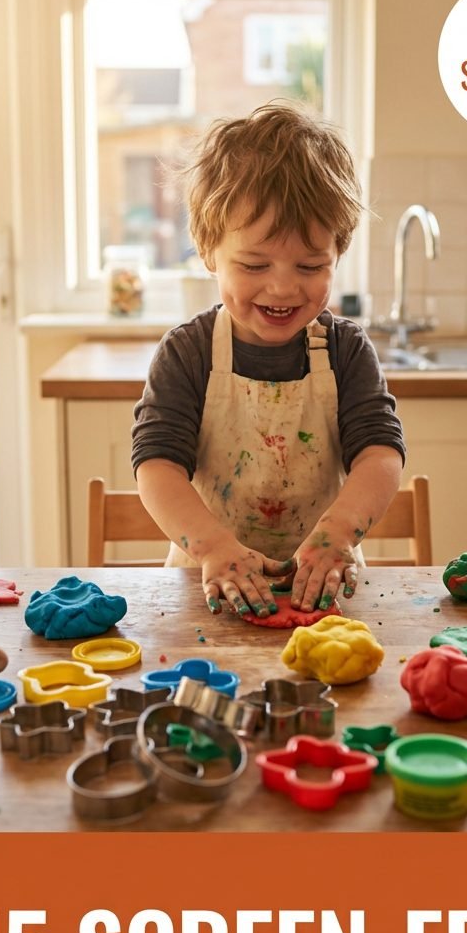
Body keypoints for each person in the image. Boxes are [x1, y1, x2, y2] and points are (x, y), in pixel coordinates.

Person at [131, 101, 405, 617]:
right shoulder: (188, 352)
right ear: (208, 250)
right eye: (254, 264)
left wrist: (338, 533)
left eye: (310, 264)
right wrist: (212, 546)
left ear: (338, 254)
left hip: (324, 588)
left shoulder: (345, 350)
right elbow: (158, 465)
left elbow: (380, 455)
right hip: (208, 589)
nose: (282, 286)